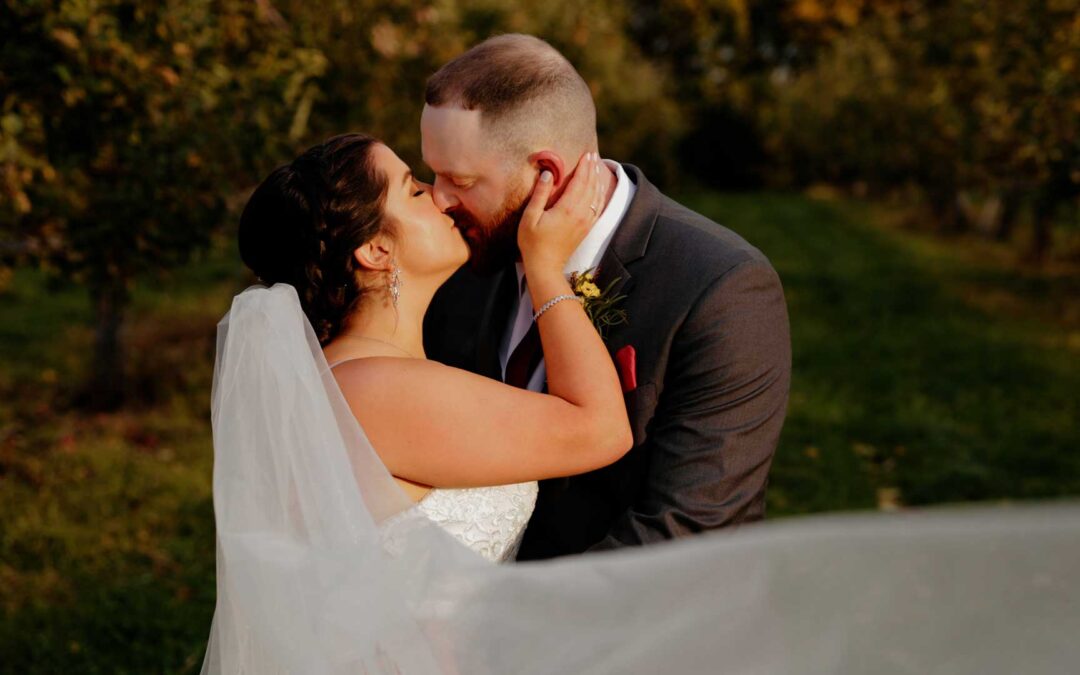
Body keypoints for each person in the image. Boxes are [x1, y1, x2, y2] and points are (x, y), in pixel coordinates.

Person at [420, 34, 792, 559]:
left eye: (458, 180)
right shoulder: (457, 265)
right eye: (431, 174)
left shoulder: (720, 288)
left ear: (545, 175)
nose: (437, 200)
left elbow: (687, 526)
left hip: (635, 625)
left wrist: (505, 620)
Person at [234, 132, 629, 563]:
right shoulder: (373, 389)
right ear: (376, 249)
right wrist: (545, 267)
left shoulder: (362, 374)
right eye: (413, 189)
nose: (439, 197)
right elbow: (600, 431)